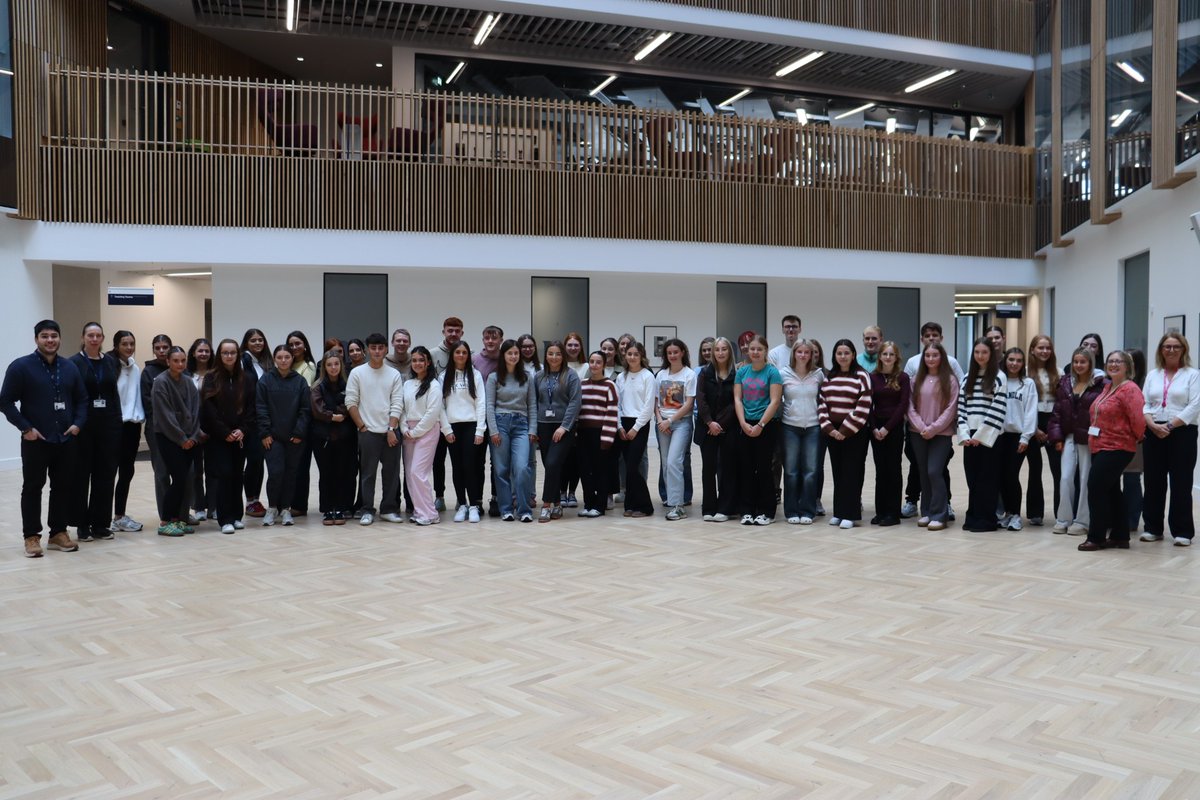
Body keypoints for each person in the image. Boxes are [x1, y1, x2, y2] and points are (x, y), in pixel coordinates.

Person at [1, 320, 86, 557]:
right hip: (36, 441)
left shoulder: (70, 367)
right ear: (36, 339)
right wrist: (25, 428)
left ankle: (58, 533)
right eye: (45, 336)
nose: (50, 340)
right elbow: (5, 402)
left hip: (65, 440)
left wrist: (78, 424)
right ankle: (31, 537)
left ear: (59, 338)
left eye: (54, 336)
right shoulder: (21, 367)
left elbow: (82, 400)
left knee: (62, 487)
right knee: (32, 488)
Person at [1079, 351, 1147, 551]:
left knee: (1096, 488)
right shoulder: (1108, 387)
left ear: (1127, 366)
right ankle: (1120, 536)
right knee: (1112, 490)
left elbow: (1138, 420)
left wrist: (1134, 437)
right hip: (1100, 445)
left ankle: (1097, 537)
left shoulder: (1130, 389)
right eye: (1111, 361)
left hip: (1118, 447)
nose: (1114, 364)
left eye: (1119, 361)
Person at [1141, 333, 1200, 546]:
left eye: (1176, 347)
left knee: (1181, 482)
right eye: (1167, 346)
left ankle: (1182, 531)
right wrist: (1151, 424)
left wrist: (1169, 425)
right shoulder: (1152, 375)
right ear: (1161, 350)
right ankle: (1152, 528)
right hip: (1154, 431)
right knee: (1153, 481)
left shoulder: (1193, 375)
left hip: (1182, 432)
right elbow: (1145, 403)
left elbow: (1194, 406)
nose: (1171, 350)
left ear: (1183, 350)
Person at [902, 322, 965, 520]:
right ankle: (927, 512)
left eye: (935, 355)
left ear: (942, 357)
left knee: (934, 471)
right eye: (928, 355)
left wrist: (934, 428)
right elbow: (909, 406)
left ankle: (940, 513)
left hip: (941, 434)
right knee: (922, 472)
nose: (931, 358)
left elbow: (951, 407)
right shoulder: (916, 379)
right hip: (918, 433)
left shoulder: (951, 379)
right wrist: (921, 427)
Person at [69, 322, 122, 542]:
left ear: (103, 338)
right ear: (83, 337)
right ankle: (82, 524)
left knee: (106, 475)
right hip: (84, 427)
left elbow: (112, 393)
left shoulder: (110, 362)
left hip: (108, 426)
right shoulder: (73, 363)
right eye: (90, 335)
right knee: (82, 476)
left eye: (98, 335)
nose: (94, 339)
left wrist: (117, 422)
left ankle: (101, 523)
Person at [346, 333, 405, 525]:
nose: (377, 351)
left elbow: (397, 403)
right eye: (373, 348)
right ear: (367, 350)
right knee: (368, 474)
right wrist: (362, 427)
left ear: (386, 349)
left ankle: (388, 508)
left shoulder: (394, 374)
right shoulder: (357, 373)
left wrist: (391, 428)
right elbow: (351, 402)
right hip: (368, 432)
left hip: (390, 431)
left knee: (391, 473)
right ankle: (367, 509)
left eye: (381, 347)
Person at [201, 339, 256, 534]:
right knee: (224, 475)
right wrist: (225, 433)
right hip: (219, 438)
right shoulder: (211, 378)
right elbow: (209, 410)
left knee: (237, 475)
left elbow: (251, 408)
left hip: (240, 437)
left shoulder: (247, 379)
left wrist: (243, 429)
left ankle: (236, 515)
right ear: (220, 355)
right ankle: (225, 519)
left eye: (233, 353)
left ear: (238, 355)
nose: (229, 356)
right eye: (225, 353)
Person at [1048, 347, 1105, 536]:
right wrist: (1056, 437)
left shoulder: (1100, 383)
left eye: (1083, 362)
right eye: (1076, 361)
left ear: (1090, 363)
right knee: (1065, 477)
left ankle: (1082, 521)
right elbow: (1057, 412)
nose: (1079, 365)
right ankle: (1063, 518)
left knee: (1085, 479)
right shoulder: (1065, 382)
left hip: (1089, 437)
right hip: (1069, 436)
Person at [819, 339, 872, 530]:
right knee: (838, 472)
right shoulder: (829, 377)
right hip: (832, 432)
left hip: (854, 432)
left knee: (852, 472)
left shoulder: (861, 375)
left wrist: (844, 430)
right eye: (839, 353)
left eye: (846, 353)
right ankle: (839, 512)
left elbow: (864, 404)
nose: (843, 356)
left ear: (853, 355)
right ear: (835, 356)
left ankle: (851, 514)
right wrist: (830, 429)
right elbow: (822, 404)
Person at [256, 344, 311, 527]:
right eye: (279, 357)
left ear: (292, 358)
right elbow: (261, 408)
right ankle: (272, 508)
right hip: (272, 437)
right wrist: (264, 432)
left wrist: (299, 432)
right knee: (275, 472)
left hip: (294, 438)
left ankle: (286, 509)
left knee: (291, 473)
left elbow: (305, 410)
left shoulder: (300, 382)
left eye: (287, 357)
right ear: (274, 359)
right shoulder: (265, 380)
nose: (283, 360)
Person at [151, 346, 202, 538]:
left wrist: (193, 436)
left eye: (183, 360)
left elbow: (196, 411)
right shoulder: (161, 382)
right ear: (168, 362)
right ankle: (166, 520)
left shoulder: (189, 382)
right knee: (178, 478)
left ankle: (178, 519)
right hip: (168, 437)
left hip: (189, 438)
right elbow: (165, 416)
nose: (180, 364)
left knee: (187, 479)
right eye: (175, 361)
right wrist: (182, 439)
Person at [958, 338, 1007, 533]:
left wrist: (981, 435)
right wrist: (965, 434)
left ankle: (987, 519)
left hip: (990, 436)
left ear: (991, 354)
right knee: (973, 479)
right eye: (977, 352)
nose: (980, 356)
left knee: (988, 479)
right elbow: (961, 408)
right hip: (970, 435)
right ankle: (973, 516)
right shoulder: (967, 377)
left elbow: (999, 408)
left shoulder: (998, 377)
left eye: (984, 352)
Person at [734, 334, 783, 525]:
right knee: (746, 468)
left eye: (759, 349)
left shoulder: (772, 372)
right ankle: (747, 510)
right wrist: (743, 423)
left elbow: (775, 401)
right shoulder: (742, 372)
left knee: (764, 468)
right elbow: (738, 399)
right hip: (745, 423)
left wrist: (761, 425)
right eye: (752, 349)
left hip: (767, 425)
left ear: (765, 351)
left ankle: (766, 511)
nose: (755, 352)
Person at [487, 339, 537, 522]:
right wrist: (493, 431)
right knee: (501, 469)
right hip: (500, 424)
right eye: (510, 353)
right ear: (504, 355)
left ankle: (524, 510)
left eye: (516, 353)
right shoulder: (494, 377)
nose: (514, 356)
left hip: (521, 425)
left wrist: (532, 429)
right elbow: (489, 406)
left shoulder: (526, 377)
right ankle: (506, 509)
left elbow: (532, 405)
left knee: (522, 467)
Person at [532, 341, 582, 522]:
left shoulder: (571, 375)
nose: (554, 357)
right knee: (551, 466)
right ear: (546, 356)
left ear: (563, 356)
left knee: (553, 463)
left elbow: (575, 403)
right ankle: (558, 505)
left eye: (558, 354)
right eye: (551, 354)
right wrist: (534, 428)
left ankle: (546, 505)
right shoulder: (538, 376)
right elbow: (534, 403)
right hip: (543, 426)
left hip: (563, 427)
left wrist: (564, 426)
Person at [441, 341, 486, 523]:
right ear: (452, 355)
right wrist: (446, 429)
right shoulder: (444, 376)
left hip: (471, 426)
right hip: (452, 428)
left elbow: (481, 402)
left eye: (464, 353)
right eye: (457, 352)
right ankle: (462, 504)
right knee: (457, 467)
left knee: (470, 466)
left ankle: (474, 505)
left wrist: (480, 430)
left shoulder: (475, 375)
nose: (461, 355)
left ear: (468, 356)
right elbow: (440, 406)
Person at [779, 339, 823, 525]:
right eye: (800, 352)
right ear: (794, 354)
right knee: (791, 471)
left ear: (812, 355)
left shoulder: (819, 375)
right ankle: (791, 511)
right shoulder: (783, 374)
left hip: (813, 427)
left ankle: (807, 510)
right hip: (790, 426)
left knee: (811, 471)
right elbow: (776, 399)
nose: (803, 355)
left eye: (807, 352)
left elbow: (823, 400)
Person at [310, 349, 356, 526]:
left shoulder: (349, 384)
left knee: (344, 472)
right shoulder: (317, 386)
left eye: (336, 364)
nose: (333, 367)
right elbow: (317, 410)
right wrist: (332, 416)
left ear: (341, 365)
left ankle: (341, 508)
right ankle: (328, 509)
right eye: (329, 364)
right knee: (327, 473)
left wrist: (337, 412)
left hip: (346, 436)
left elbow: (351, 403)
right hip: (323, 437)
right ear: (324, 367)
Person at [697, 336, 738, 522]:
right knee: (709, 469)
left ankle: (725, 508)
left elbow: (735, 402)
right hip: (707, 428)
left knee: (728, 468)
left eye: (724, 349)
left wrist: (721, 423)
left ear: (729, 352)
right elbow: (701, 399)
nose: (720, 353)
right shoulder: (705, 373)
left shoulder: (737, 374)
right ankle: (709, 507)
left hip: (729, 428)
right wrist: (710, 422)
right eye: (717, 349)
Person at [401, 346, 444, 525]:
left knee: (418, 472)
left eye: (421, 360)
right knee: (410, 475)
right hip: (408, 432)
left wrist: (415, 432)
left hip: (427, 431)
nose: (417, 363)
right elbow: (402, 408)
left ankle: (431, 513)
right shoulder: (407, 384)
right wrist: (404, 429)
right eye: (414, 360)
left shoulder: (434, 385)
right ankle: (420, 511)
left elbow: (433, 413)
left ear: (428, 363)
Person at [868, 341, 909, 526]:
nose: (888, 357)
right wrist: (875, 428)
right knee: (880, 470)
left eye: (891, 354)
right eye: (885, 354)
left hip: (894, 428)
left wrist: (887, 428)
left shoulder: (903, 377)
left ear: (896, 357)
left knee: (893, 469)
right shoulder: (872, 377)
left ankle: (893, 513)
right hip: (876, 428)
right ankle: (881, 510)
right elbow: (868, 404)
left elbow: (903, 405)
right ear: (880, 356)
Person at [654, 338, 696, 520]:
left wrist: (669, 421)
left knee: (674, 462)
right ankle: (672, 502)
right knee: (665, 464)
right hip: (662, 424)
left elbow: (688, 404)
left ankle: (679, 506)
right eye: (669, 353)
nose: (672, 355)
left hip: (681, 423)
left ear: (682, 353)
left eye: (675, 352)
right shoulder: (661, 375)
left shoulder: (689, 374)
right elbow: (655, 402)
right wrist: (659, 421)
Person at [996, 347, 1038, 531]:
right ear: (1005, 361)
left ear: (1023, 363)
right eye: (1011, 359)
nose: (1014, 363)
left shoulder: (1028, 383)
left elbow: (1030, 412)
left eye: (1018, 360)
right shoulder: (999, 380)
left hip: (1018, 437)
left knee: (1012, 475)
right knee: (1001, 475)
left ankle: (1015, 515)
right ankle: (1006, 513)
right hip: (998, 435)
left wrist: (1026, 437)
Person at [110, 330, 146, 533]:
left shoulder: (135, 367)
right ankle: (99, 517)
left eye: (132, 343)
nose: (129, 347)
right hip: (114, 427)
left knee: (126, 472)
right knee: (107, 473)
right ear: (116, 346)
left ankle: (119, 516)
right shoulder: (109, 365)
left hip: (132, 427)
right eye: (125, 343)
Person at [615, 341, 656, 518]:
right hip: (623, 423)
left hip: (640, 424)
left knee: (633, 467)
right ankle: (630, 505)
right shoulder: (621, 377)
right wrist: (618, 426)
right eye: (629, 354)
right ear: (625, 356)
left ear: (641, 357)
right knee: (627, 466)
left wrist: (636, 427)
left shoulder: (648, 376)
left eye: (636, 354)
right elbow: (616, 405)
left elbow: (649, 406)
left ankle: (646, 506)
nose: (632, 357)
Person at [577, 351, 619, 517]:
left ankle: (600, 506)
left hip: (601, 434)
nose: (594, 365)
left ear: (603, 365)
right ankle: (588, 503)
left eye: (598, 362)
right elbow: (577, 410)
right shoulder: (582, 384)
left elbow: (612, 412)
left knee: (601, 470)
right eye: (592, 362)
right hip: (583, 433)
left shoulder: (610, 385)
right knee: (585, 470)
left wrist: (607, 438)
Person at [1025, 335, 1060, 526]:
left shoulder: (1058, 372)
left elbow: (1061, 403)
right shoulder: (1025, 372)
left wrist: (1053, 427)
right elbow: (1025, 404)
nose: (1045, 351)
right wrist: (1034, 428)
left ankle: (1060, 512)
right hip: (1032, 421)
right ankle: (1035, 512)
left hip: (1053, 421)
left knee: (1057, 469)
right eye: (1040, 348)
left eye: (1048, 348)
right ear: (1032, 349)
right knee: (1035, 468)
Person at [240, 328, 271, 518]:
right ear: (246, 343)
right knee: (251, 462)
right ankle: (249, 500)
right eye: (254, 340)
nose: (258, 343)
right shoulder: (243, 360)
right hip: (247, 421)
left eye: (260, 340)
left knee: (258, 462)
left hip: (261, 419)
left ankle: (254, 500)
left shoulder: (264, 363)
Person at [186, 337, 215, 523]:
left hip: (214, 429)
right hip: (193, 429)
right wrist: (196, 430)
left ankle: (213, 506)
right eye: (200, 350)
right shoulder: (186, 374)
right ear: (194, 353)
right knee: (196, 470)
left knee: (213, 470)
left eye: (206, 350)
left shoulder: (216, 374)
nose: (203, 354)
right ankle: (198, 506)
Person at [516, 333, 542, 514]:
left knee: (531, 460)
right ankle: (517, 495)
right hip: (518, 417)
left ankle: (531, 494)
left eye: (530, 346)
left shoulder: (540, 368)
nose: (527, 349)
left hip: (535, 417)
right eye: (523, 346)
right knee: (518, 461)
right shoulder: (514, 367)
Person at [1123, 348, 1147, 533]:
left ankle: (1131, 521)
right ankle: (1115, 518)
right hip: (1114, 438)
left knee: (1131, 480)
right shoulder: (1113, 383)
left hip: (1135, 439)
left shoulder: (1144, 385)